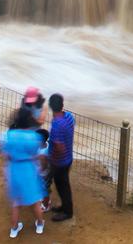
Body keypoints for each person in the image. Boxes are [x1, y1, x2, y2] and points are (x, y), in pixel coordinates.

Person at [2, 108, 45, 239]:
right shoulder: (34, 136)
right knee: (35, 201)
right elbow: (36, 155)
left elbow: (6, 155)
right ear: (29, 120)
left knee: (16, 203)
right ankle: (39, 224)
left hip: (14, 169)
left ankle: (14, 229)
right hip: (29, 169)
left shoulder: (10, 135)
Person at [47, 93, 75, 222]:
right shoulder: (69, 117)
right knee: (63, 185)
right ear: (62, 105)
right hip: (68, 157)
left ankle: (67, 212)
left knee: (62, 186)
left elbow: (59, 147)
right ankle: (64, 207)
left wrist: (52, 159)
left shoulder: (57, 126)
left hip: (60, 162)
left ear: (51, 107)